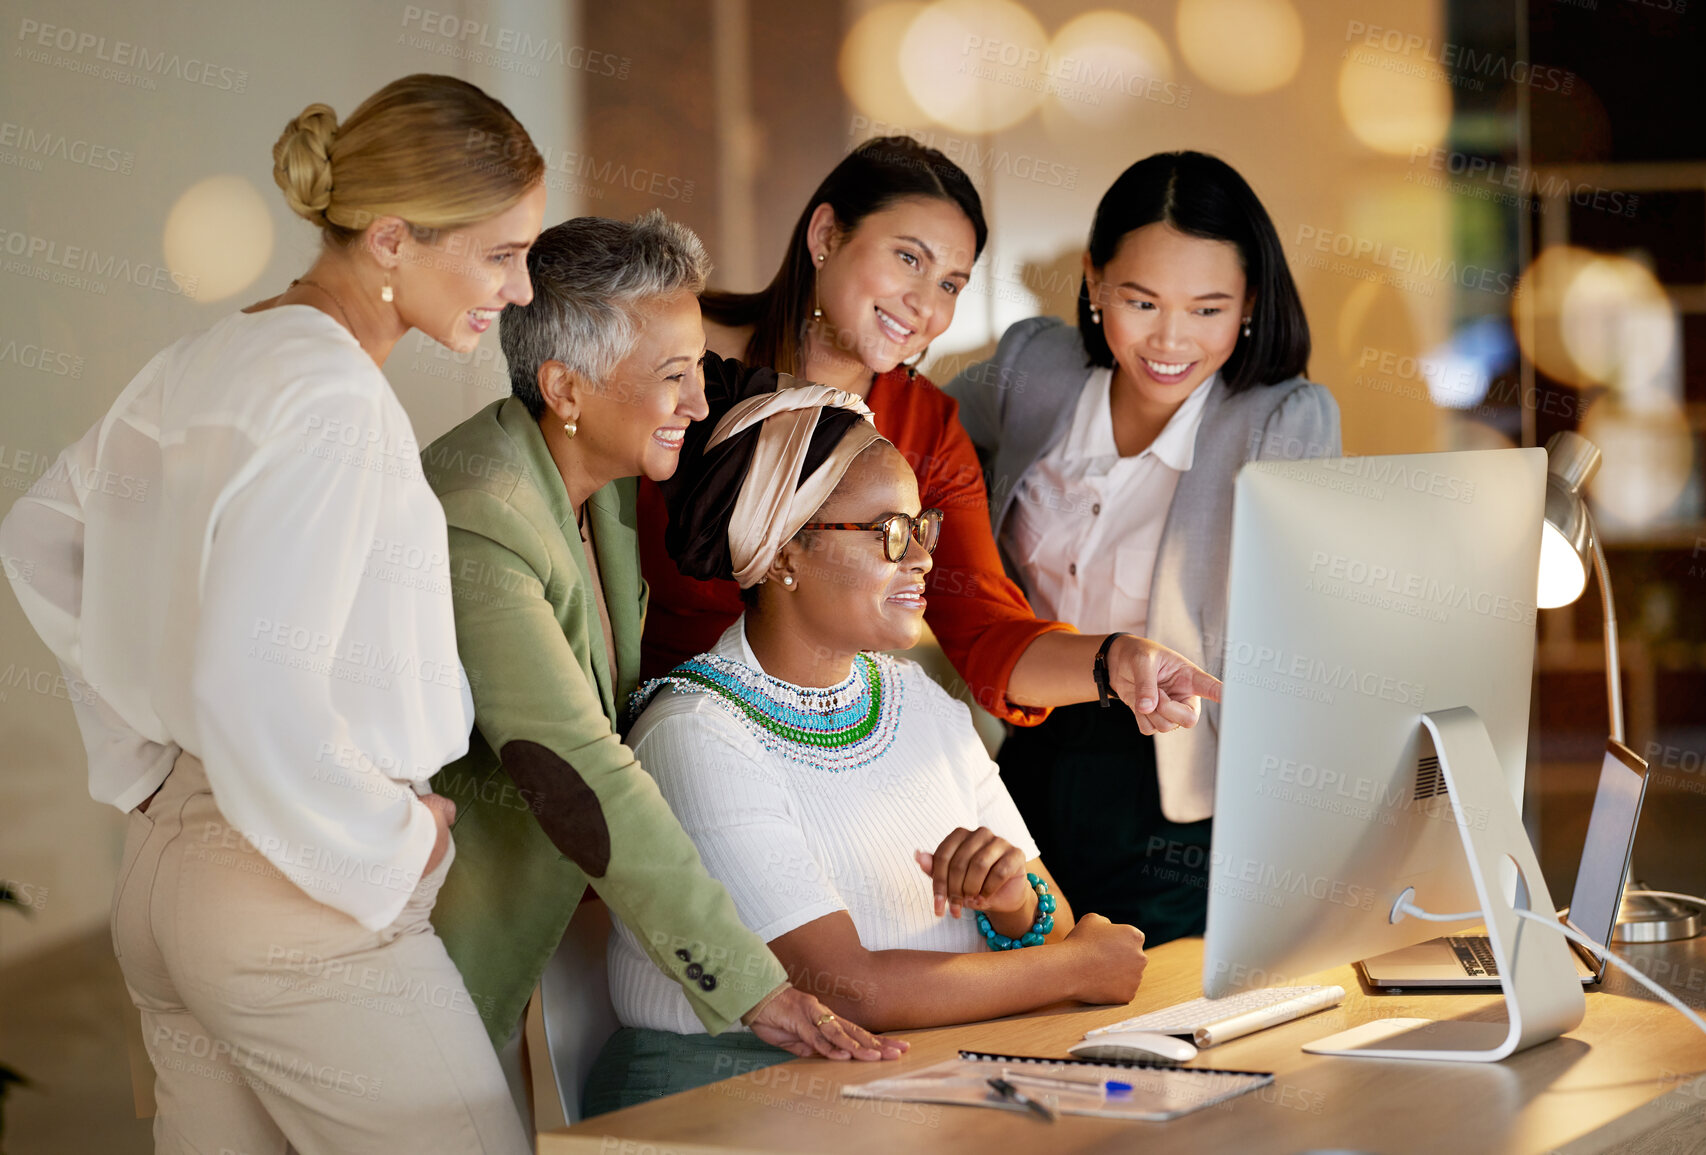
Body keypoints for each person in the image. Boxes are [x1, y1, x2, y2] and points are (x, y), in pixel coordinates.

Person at [0, 75, 548, 1153]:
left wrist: (151, 762)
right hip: (297, 901)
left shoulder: (211, 357)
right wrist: (390, 842)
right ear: (389, 240)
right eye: (500, 253)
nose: (520, 290)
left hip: (173, 885)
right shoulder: (334, 398)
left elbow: (37, 533)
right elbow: (254, 676)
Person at [421, 211, 904, 1096]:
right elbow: (577, 768)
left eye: (697, 372)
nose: (697, 402)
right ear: (564, 388)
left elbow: (751, 403)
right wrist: (755, 985)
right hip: (392, 936)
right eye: (673, 377)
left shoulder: (596, 479)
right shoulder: (481, 517)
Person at [586, 358, 1149, 1114]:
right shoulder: (695, 733)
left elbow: (1046, 925)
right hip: (725, 1100)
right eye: (888, 532)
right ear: (782, 551)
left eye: (921, 526)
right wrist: (1081, 968)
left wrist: (1012, 901)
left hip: (911, 1079)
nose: (921, 557)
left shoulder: (915, 698)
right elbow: (852, 987)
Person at [636, 135, 1221, 739]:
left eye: (951, 284)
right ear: (826, 236)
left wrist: (1113, 662)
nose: (925, 306)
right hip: (663, 729)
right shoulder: (674, 354)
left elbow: (988, 630)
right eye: (909, 259)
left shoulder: (924, 426)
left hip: (821, 740)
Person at [947, 151, 1343, 945]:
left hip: (1174, 777)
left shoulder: (1282, 419)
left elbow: (1309, 624)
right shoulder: (1035, 369)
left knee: (1151, 1020)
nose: (1170, 340)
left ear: (1249, 303)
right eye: (1140, 301)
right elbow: (917, 440)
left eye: (1207, 309)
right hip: (1031, 739)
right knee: (1019, 989)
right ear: (1094, 283)